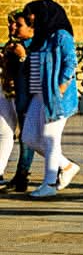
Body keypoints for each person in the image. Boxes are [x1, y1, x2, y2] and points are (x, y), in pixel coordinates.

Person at [21, 0, 79, 197]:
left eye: (33, 13)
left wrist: (61, 88)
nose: (31, 18)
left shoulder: (61, 36)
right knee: (28, 137)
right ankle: (67, 166)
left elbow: (71, 62)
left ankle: (50, 184)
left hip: (55, 96)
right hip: (38, 95)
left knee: (50, 138)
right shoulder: (41, 37)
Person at [2, 10, 34, 192]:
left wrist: (22, 56)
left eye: (17, 24)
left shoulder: (31, 46)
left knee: (30, 138)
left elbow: (33, 70)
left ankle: (23, 175)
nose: (12, 27)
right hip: (14, 97)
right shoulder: (14, 44)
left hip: (27, 98)